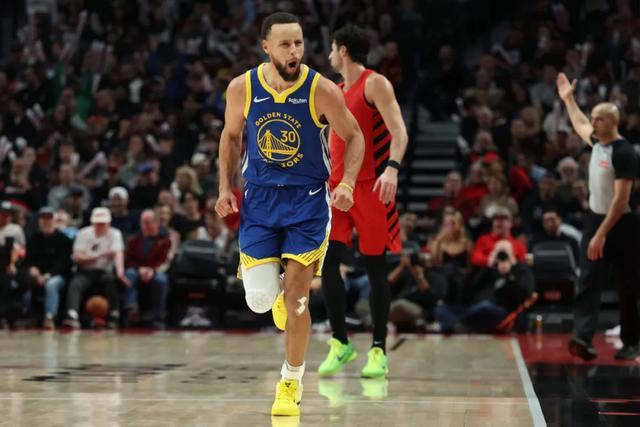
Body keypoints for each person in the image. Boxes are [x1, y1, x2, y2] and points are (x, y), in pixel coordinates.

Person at [214, 12, 364, 417]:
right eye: (285, 44)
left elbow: (354, 136)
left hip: (307, 202)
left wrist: (348, 183)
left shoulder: (321, 89)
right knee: (260, 300)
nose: (294, 50)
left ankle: (290, 381)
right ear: (266, 47)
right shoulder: (242, 87)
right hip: (260, 201)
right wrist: (225, 187)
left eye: (298, 43)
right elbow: (231, 135)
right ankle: (274, 293)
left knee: (297, 299)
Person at [319, 24, 407, 379]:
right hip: (336, 189)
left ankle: (378, 349)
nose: (329, 55)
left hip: (371, 187)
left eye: (331, 49)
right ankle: (340, 342)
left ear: (342, 50)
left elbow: (399, 131)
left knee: (375, 269)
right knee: (327, 264)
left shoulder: (375, 83)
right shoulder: (336, 91)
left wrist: (392, 170)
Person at [557, 72, 640, 360]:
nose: (592, 123)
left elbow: (621, 200)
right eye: (593, 118)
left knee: (628, 286)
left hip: (623, 225)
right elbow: (579, 123)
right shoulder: (597, 143)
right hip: (595, 219)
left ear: (612, 122)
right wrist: (569, 100)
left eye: (598, 119)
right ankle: (582, 339)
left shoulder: (625, 153)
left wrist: (601, 234)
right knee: (588, 280)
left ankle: (632, 342)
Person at [63, 207, 128, 329]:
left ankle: (114, 314)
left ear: (109, 223)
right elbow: (77, 257)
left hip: (104, 271)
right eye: (98, 223)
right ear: (92, 223)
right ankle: (72, 315)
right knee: (75, 284)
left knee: (111, 281)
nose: (100, 226)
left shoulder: (115, 234)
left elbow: (118, 254)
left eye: (103, 223)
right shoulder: (83, 233)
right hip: (85, 271)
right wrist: (98, 256)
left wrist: (120, 273)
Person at [25, 207, 73, 329]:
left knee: (51, 285)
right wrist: (32, 269)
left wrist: (48, 275)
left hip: (58, 275)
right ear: (39, 221)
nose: (46, 221)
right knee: (24, 279)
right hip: (37, 274)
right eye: (43, 218)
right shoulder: (33, 239)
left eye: (49, 218)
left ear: (54, 220)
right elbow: (28, 259)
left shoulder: (64, 240)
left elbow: (64, 264)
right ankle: (27, 315)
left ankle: (50, 316)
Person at [124, 210, 172, 329]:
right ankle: (132, 310)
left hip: (156, 270)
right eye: (142, 223)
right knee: (129, 274)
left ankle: (159, 315)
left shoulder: (166, 240)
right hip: (137, 270)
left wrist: (152, 270)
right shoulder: (134, 239)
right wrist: (139, 269)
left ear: (156, 223)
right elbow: (129, 260)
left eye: (147, 223)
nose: (144, 226)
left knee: (161, 280)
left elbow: (165, 261)